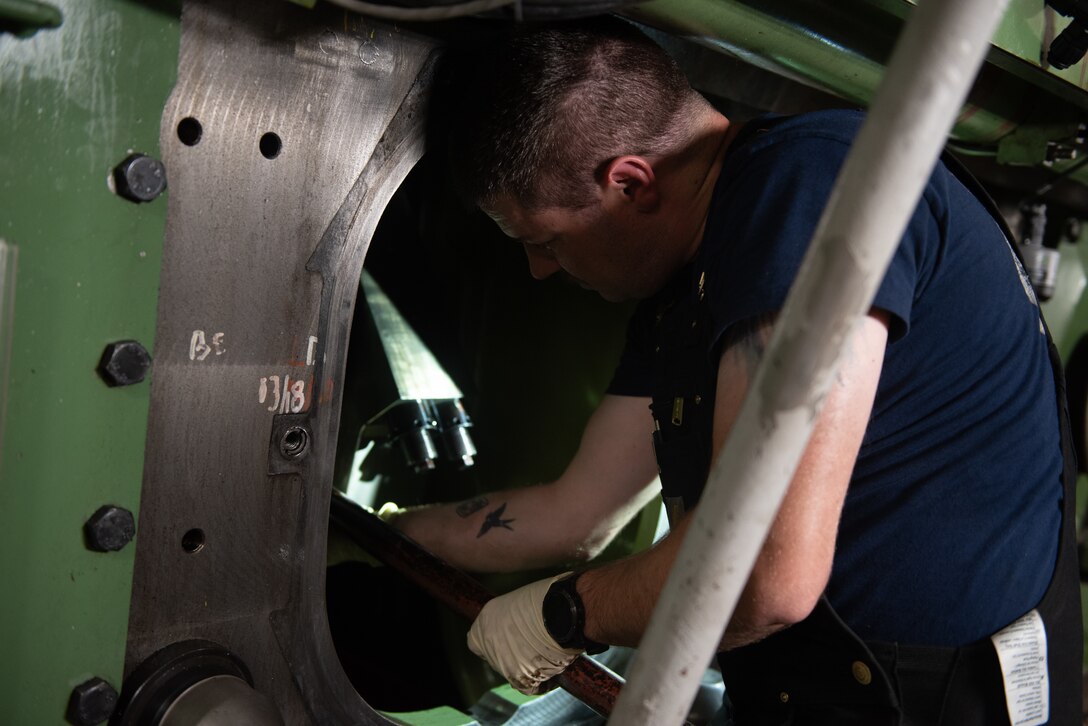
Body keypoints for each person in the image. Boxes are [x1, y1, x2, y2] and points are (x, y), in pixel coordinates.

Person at [392, 18, 1083, 725]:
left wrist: (566, 612)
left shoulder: (804, 188)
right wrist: (399, 531)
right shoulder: (684, 285)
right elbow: (577, 512)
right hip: (813, 690)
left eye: (542, 241)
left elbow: (764, 577)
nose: (538, 271)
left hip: (937, 704)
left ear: (629, 184)